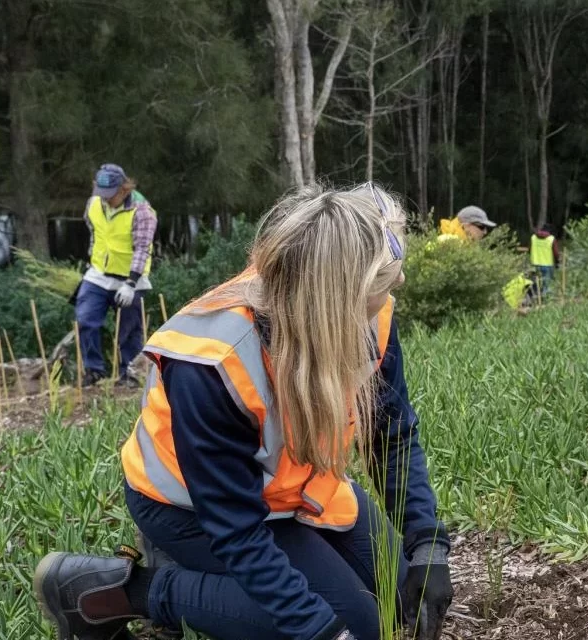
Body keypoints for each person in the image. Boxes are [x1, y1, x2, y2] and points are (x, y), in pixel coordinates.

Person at [33, 184, 453, 640]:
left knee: (398, 603)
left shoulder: (370, 314)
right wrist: (321, 632)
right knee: (357, 626)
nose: (400, 284)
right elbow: (237, 531)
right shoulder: (212, 361)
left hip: (296, 490)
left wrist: (427, 545)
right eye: (386, 279)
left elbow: (392, 434)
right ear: (336, 297)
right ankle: (117, 592)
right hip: (189, 507)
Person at [75, 163, 158, 387]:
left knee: (129, 330)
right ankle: (94, 371)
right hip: (99, 274)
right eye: (101, 194)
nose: (105, 199)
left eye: (110, 195)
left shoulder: (142, 211)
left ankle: (130, 374)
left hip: (131, 278)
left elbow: (142, 248)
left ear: (124, 189)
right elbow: (94, 230)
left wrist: (131, 282)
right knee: (85, 318)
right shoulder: (94, 203)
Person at [530, 223, 561, 298]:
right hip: (547, 265)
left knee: (535, 284)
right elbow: (556, 253)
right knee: (546, 285)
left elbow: (529, 249)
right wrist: (557, 262)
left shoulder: (533, 237)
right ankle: (544, 301)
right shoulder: (551, 239)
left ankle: (534, 299)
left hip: (535, 264)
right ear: (549, 231)